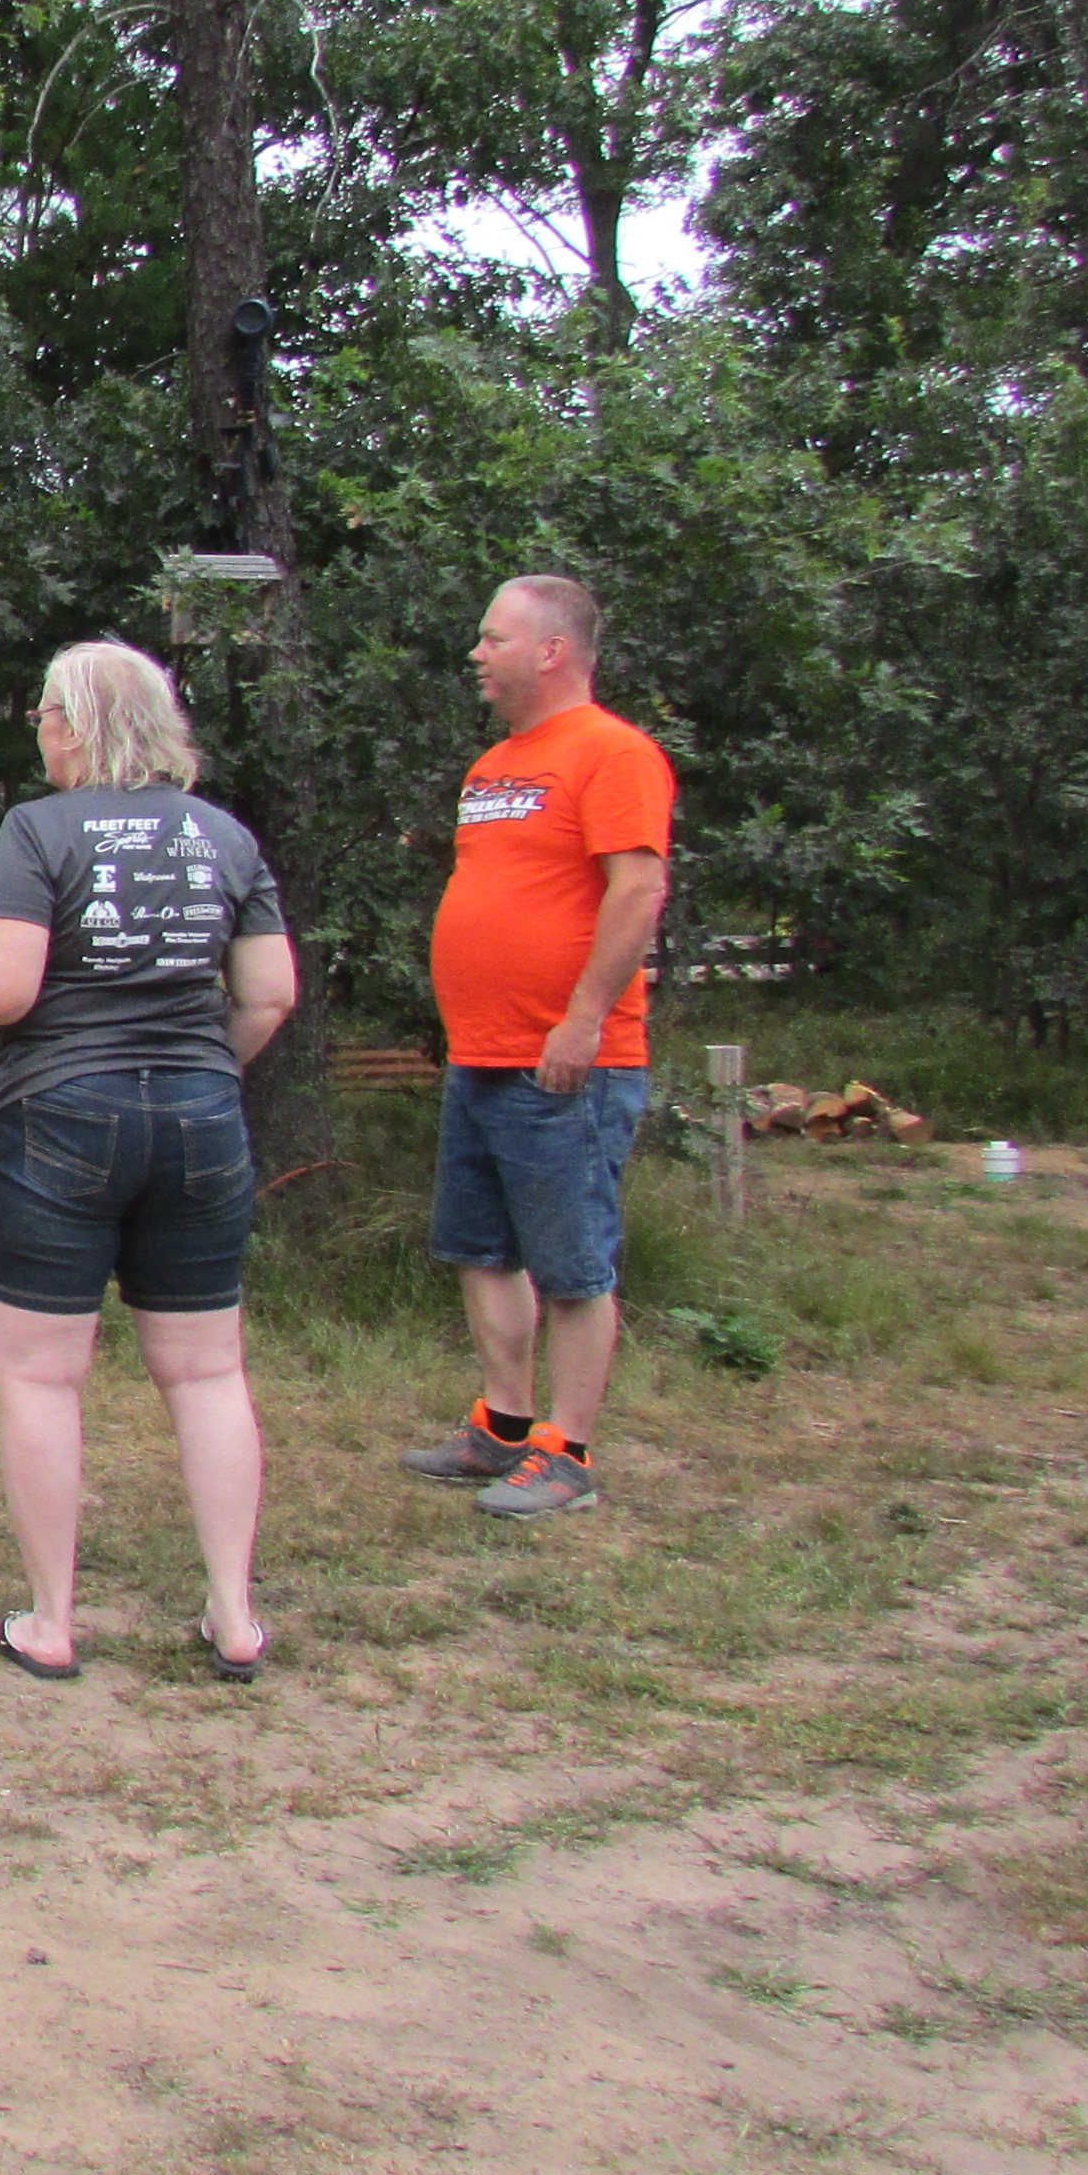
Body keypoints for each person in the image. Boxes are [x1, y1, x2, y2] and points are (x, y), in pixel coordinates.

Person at [0, 642, 300, 1680]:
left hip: (60, 1115)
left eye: (45, 716)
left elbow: (4, 992)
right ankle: (235, 1616)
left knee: (43, 1375)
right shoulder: (225, 836)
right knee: (209, 1371)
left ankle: (52, 1622)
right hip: (200, 1115)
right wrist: (203, 1069)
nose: (39, 734)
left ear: (74, 724)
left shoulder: (37, 831)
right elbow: (272, 992)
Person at [403, 574, 674, 1522]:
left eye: (494, 638)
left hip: (567, 1059)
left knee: (571, 1263)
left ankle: (570, 1449)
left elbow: (636, 893)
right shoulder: (493, 768)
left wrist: (584, 1018)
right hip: (480, 1052)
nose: (477, 654)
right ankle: (503, 1427)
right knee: (481, 1247)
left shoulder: (613, 754)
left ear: (551, 651)